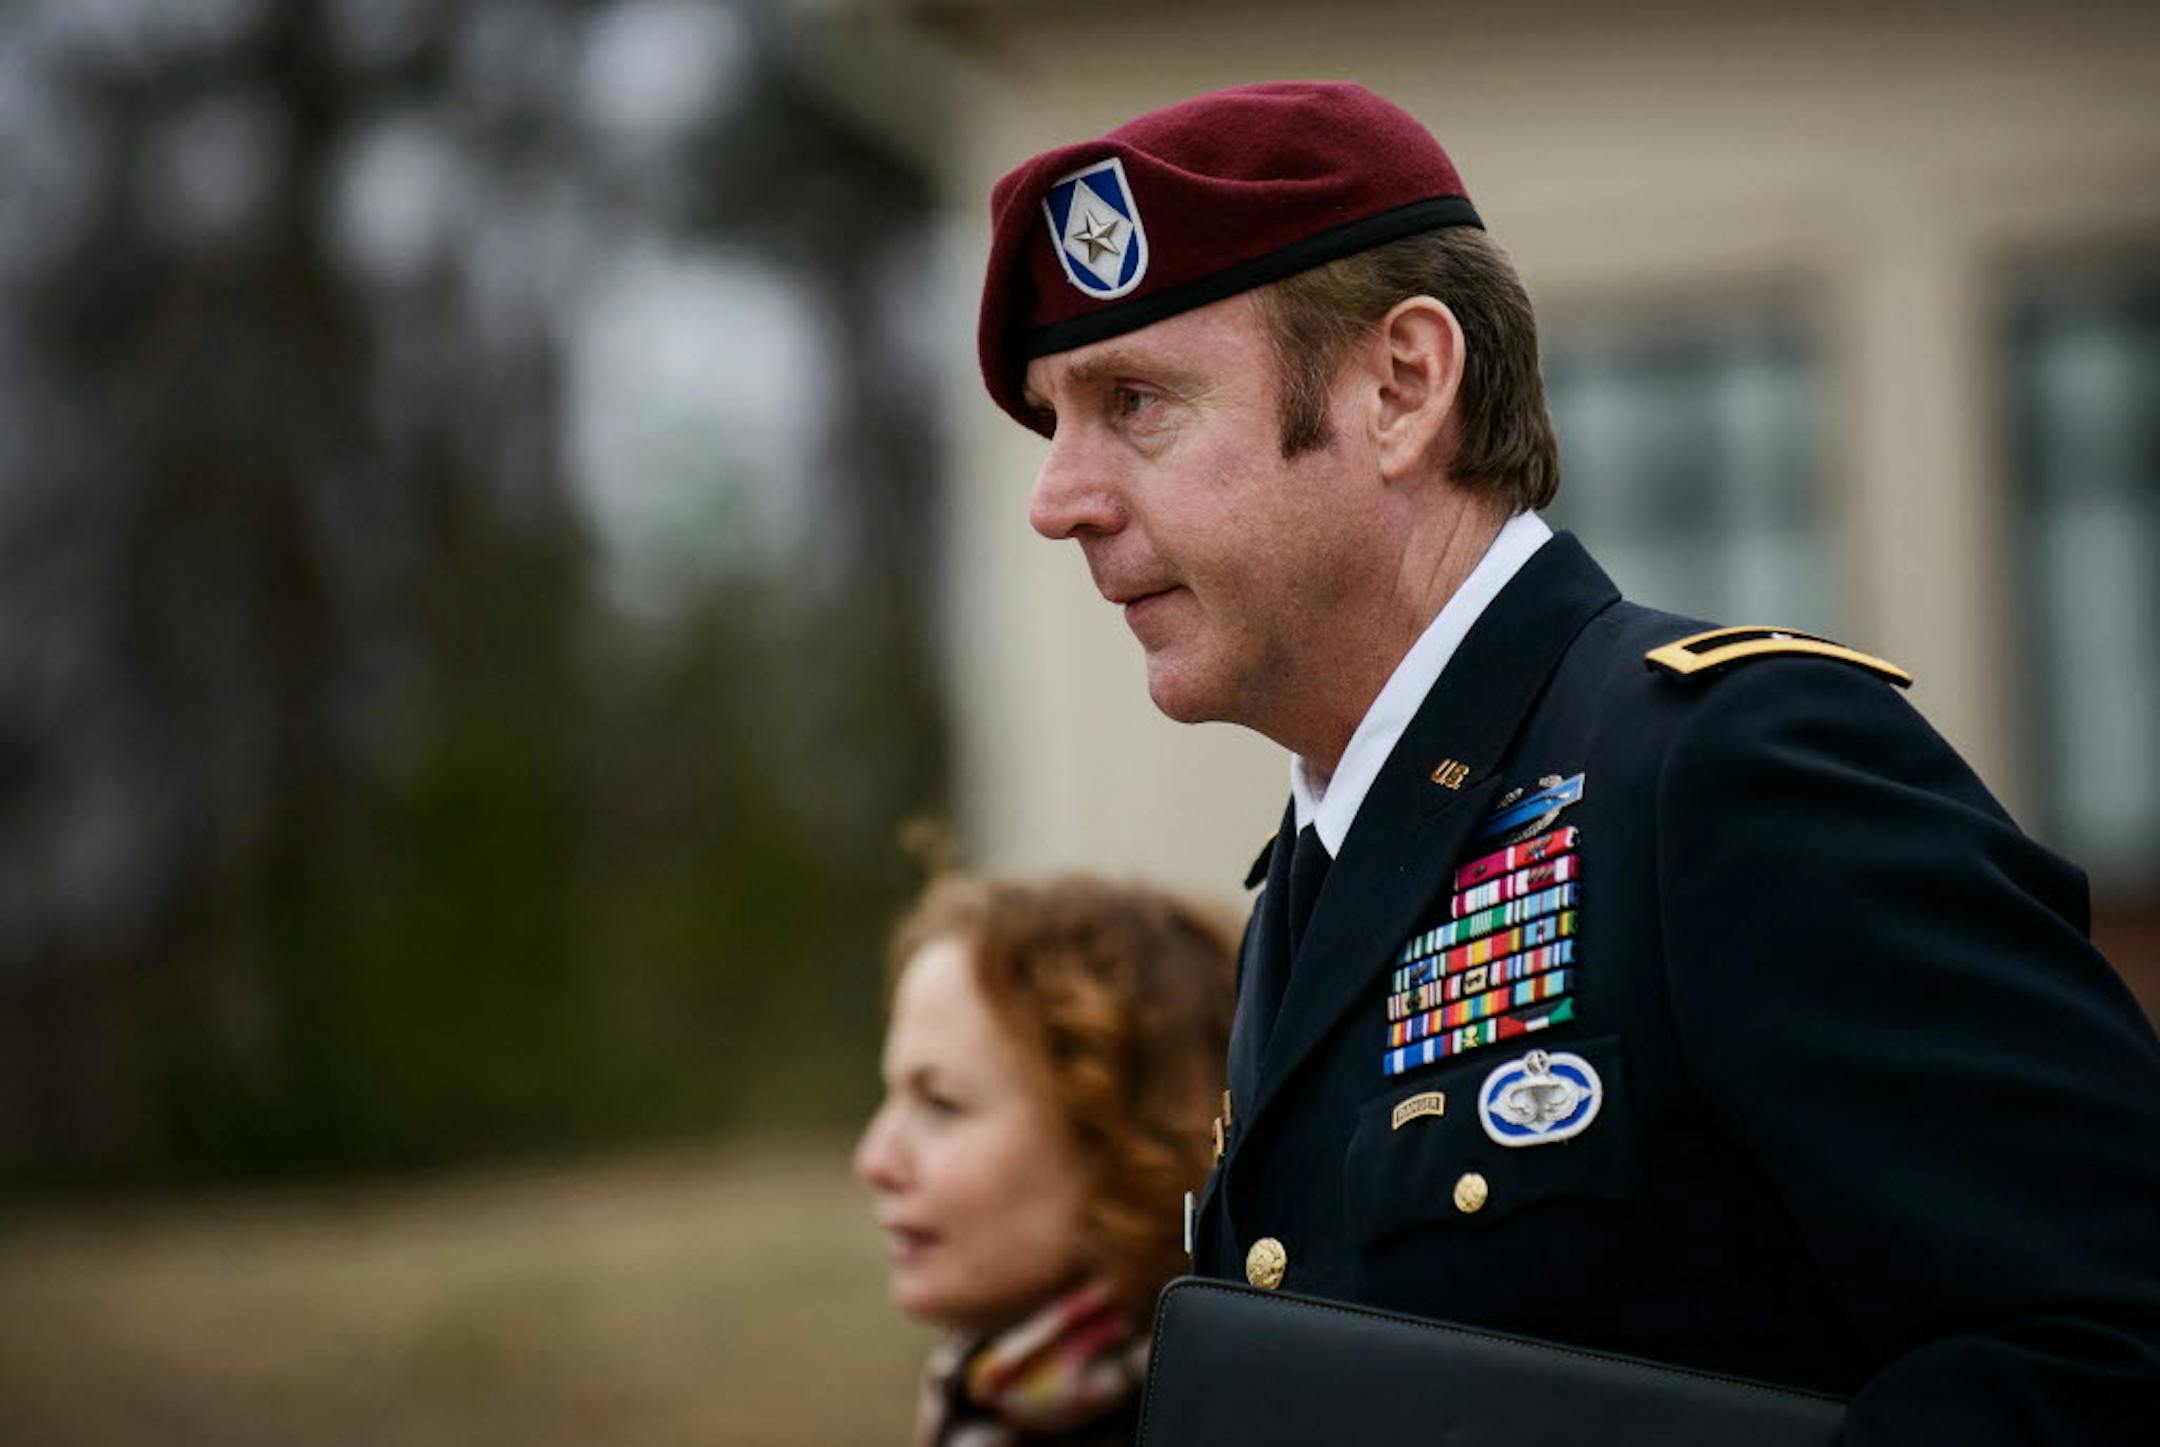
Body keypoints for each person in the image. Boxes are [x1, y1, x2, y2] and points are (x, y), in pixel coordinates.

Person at [972, 81, 2160, 1440]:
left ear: (1402, 386)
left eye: (1134, 401)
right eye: (1053, 418)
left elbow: (2109, 1338)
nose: (1057, 498)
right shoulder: (1312, 878)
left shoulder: (1729, 768)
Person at [855, 873, 1235, 1446]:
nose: (874, 1160)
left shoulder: (1213, 1420)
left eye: (941, 1104)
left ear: (1126, 1141)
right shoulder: (986, 1401)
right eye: (891, 1095)